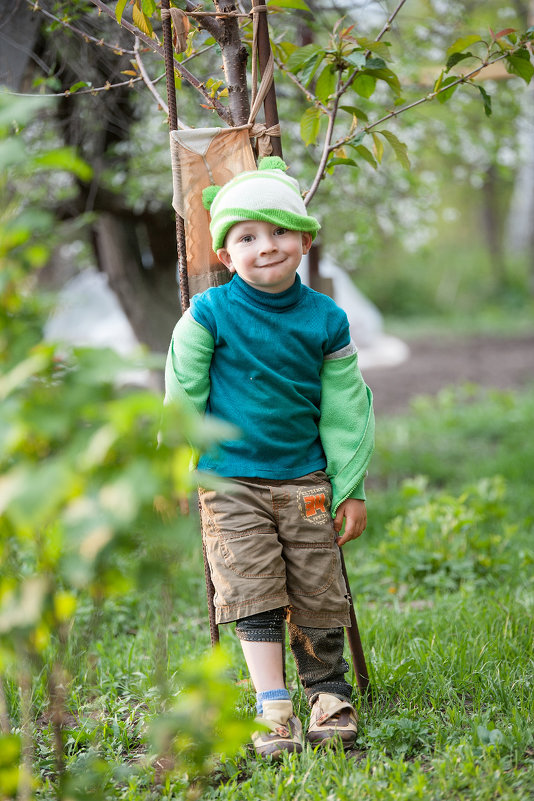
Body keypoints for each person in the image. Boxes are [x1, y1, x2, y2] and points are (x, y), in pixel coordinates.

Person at [165, 156, 374, 759]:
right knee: (251, 588)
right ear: (226, 256)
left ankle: (329, 696)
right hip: (228, 479)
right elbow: (182, 390)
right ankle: (272, 706)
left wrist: (350, 484)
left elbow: (345, 409)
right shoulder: (209, 313)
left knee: (317, 583)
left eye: (280, 231)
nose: (267, 246)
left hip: (305, 478)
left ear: (305, 239)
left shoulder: (326, 319)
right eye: (248, 237)